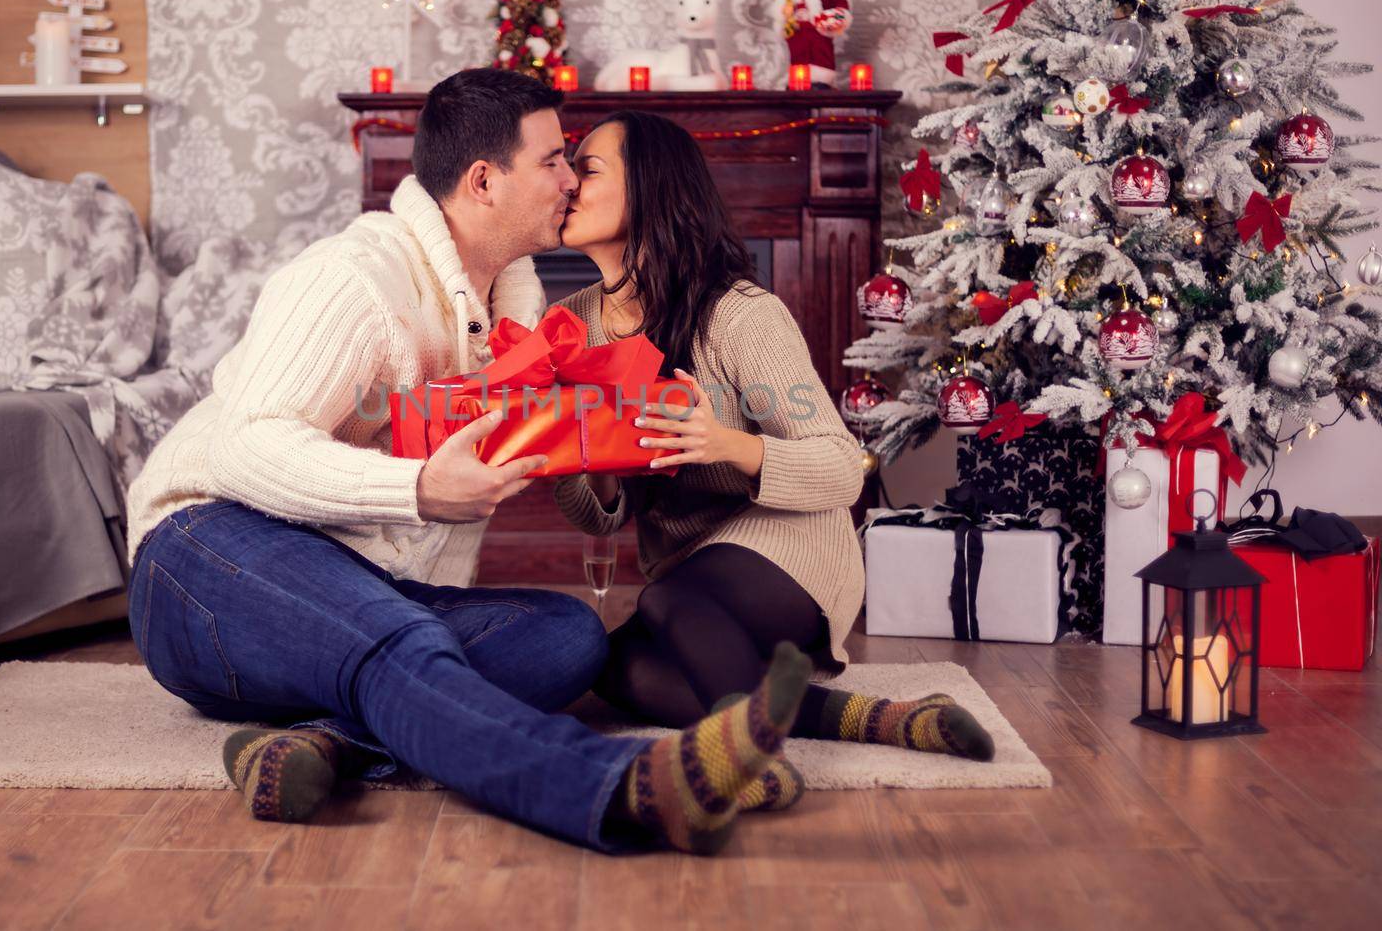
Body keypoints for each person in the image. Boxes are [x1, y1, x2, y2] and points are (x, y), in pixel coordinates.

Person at [123, 68, 810, 856]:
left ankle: (329, 739)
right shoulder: (353, 279)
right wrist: (414, 487)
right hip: (202, 557)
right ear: (484, 180)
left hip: (350, 594)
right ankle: (623, 787)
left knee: (567, 637)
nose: (570, 177)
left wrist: (647, 435)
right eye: (554, 160)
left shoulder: (513, 320)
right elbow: (246, 444)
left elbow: (579, 475)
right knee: (397, 639)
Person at [553, 110, 995, 810]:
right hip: (692, 565)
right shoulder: (572, 323)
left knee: (667, 601)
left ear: (649, 186)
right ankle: (865, 715)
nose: (567, 182)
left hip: (792, 539)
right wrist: (571, 443)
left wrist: (724, 443)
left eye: (589, 166)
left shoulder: (737, 314)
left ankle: (750, 762)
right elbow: (599, 517)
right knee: (617, 667)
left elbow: (841, 464)